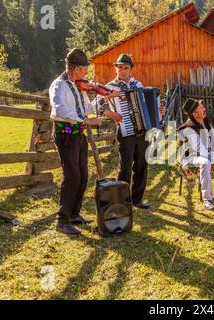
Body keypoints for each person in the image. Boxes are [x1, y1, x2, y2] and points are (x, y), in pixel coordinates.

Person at [49, 48, 121, 235]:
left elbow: (88, 106)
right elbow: (59, 110)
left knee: (83, 175)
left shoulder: (79, 86)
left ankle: (74, 214)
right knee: (72, 176)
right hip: (65, 135)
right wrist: (86, 120)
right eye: (84, 70)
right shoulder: (58, 86)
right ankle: (62, 219)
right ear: (75, 69)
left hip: (78, 135)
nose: (87, 74)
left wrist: (104, 99)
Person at [97, 53, 165, 209]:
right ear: (116, 68)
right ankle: (123, 201)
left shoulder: (138, 85)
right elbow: (95, 107)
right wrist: (110, 113)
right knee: (125, 167)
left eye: (125, 67)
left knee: (142, 166)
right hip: (125, 132)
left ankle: (137, 199)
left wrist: (159, 111)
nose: (122, 70)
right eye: (119, 67)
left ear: (131, 69)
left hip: (143, 132)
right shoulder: (109, 87)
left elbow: (150, 106)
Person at [178, 99, 214, 211]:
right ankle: (207, 200)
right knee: (205, 162)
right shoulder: (188, 129)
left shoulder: (205, 123)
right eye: (201, 107)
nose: (204, 109)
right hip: (190, 159)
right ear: (195, 114)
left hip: (206, 155)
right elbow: (202, 151)